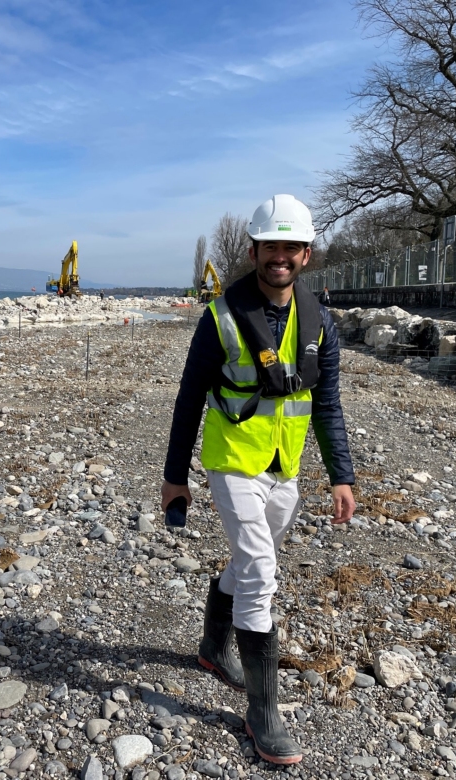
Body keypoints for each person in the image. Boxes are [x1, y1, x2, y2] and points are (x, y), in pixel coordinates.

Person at [161, 194, 355, 765]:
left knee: (252, 559)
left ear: (306, 254)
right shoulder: (220, 316)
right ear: (253, 251)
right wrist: (175, 477)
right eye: (271, 246)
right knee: (261, 571)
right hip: (232, 460)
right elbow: (189, 398)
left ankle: (211, 646)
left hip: (284, 466)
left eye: (291, 247)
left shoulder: (320, 321)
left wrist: (341, 476)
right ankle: (261, 713)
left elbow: (328, 405)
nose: (280, 256)